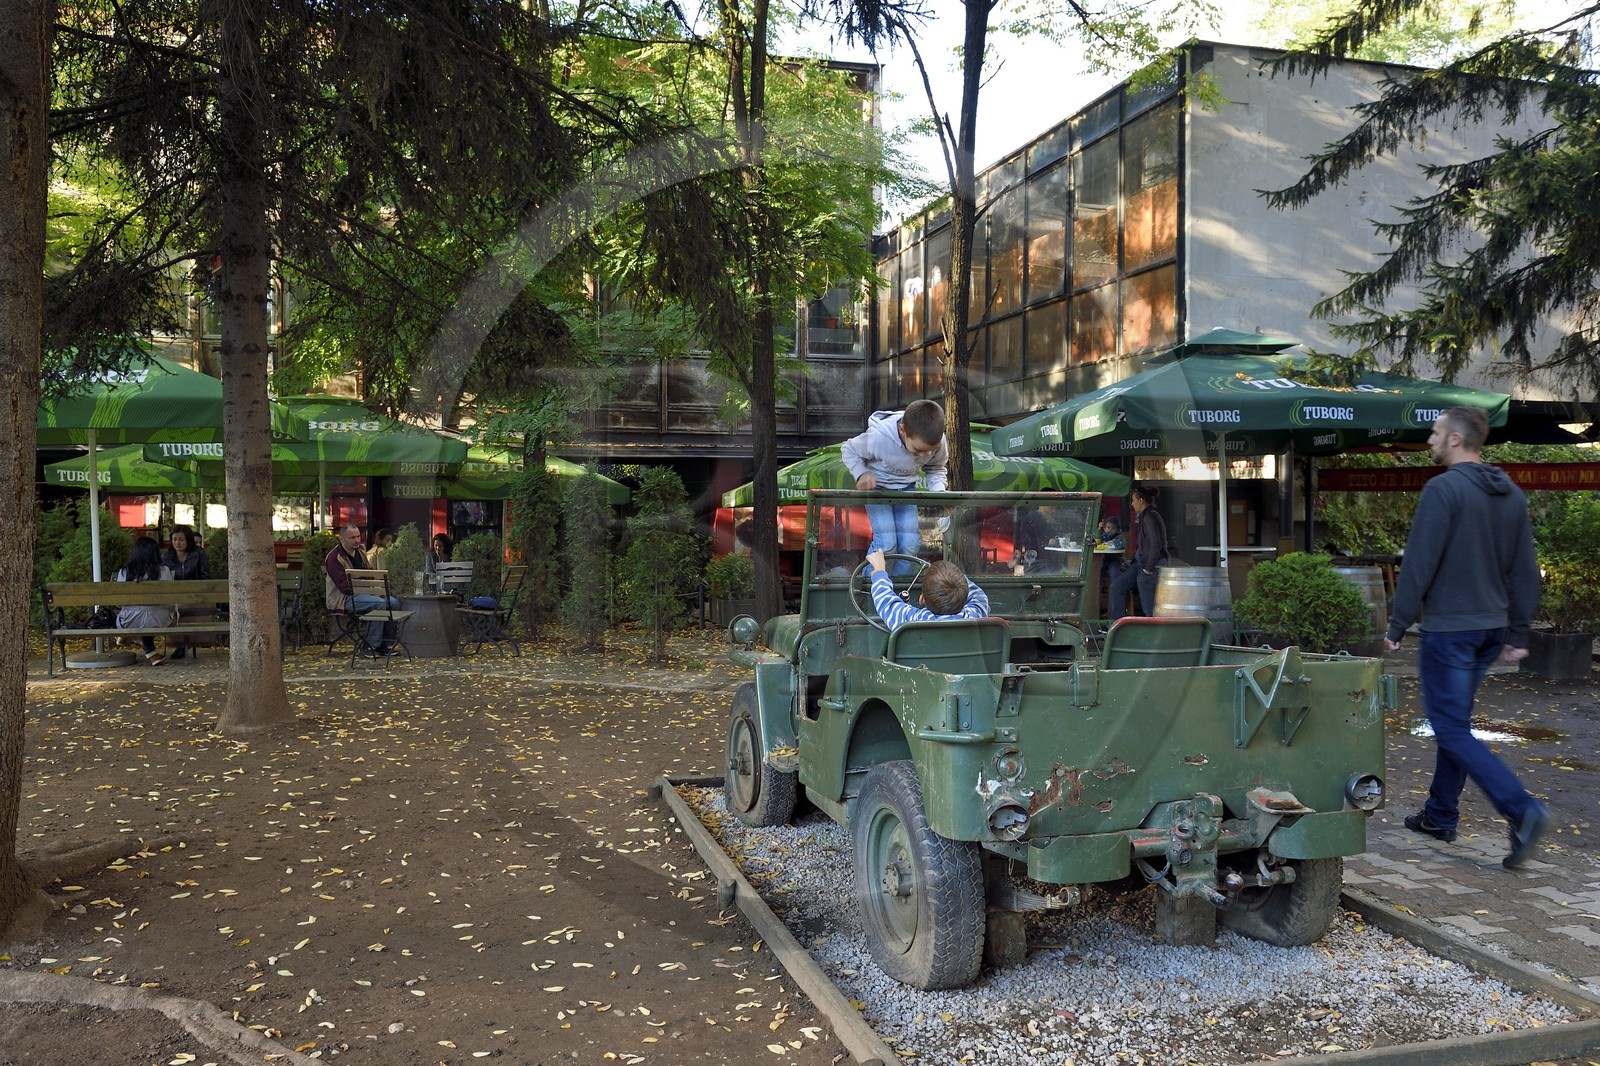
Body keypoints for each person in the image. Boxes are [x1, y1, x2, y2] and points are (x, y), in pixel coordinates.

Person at [1384, 405, 1549, 869]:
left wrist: (1397, 624)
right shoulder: (1510, 494)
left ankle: (1522, 809)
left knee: (1452, 727)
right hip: (1489, 629)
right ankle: (1440, 814)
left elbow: (1418, 563)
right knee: (1454, 724)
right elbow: (1524, 570)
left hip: (1451, 631)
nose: (1430, 440)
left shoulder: (1443, 490)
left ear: (1456, 439)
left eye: (1436, 433)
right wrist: (1518, 631)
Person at [841, 399, 948, 575]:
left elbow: (935, 467)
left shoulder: (937, 441)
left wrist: (939, 493)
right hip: (877, 490)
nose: (923, 456)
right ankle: (869, 586)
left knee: (911, 545)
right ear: (902, 430)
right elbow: (849, 449)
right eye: (917, 450)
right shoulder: (879, 438)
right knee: (887, 544)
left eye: (930, 450)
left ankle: (898, 593)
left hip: (906, 489)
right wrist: (861, 473)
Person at [865, 548, 988, 631]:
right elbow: (978, 595)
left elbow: (886, 602)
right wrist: (951, 575)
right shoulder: (975, 615)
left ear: (922, 598)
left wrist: (880, 569)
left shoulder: (913, 621)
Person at [325, 524, 398, 656]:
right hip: (342, 599)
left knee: (393, 602)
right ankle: (370, 646)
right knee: (379, 604)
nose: (357, 540)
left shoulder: (360, 551)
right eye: (352, 538)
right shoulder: (334, 558)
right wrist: (373, 594)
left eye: (358, 536)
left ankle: (385, 644)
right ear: (341, 539)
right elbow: (344, 587)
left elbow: (369, 574)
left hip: (365, 594)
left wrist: (376, 591)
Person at [1108, 485, 1167, 622]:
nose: (1132, 504)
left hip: (1150, 564)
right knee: (1117, 586)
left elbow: (1155, 544)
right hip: (1140, 563)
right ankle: (1117, 625)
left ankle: (1153, 630)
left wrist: (1148, 568)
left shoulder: (1150, 517)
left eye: (1133, 500)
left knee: (1148, 605)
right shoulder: (1145, 516)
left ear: (1140, 500)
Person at [116, 536, 175, 666]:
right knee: (148, 616)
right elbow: (170, 598)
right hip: (160, 619)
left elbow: (119, 603)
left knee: (141, 617)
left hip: (130, 619)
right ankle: (151, 653)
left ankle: (123, 634)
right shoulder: (164, 571)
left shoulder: (124, 572)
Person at [161, 524, 211, 660]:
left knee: (189, 608)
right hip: (175, 596)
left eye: (181, 539)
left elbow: (205, 576)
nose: (177, 542)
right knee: (175, 608)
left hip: (195, 595)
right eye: (175, 539)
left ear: (188, 540)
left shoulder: (198, 554)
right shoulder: (167, 556)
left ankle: (185, 644)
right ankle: (181, 644)